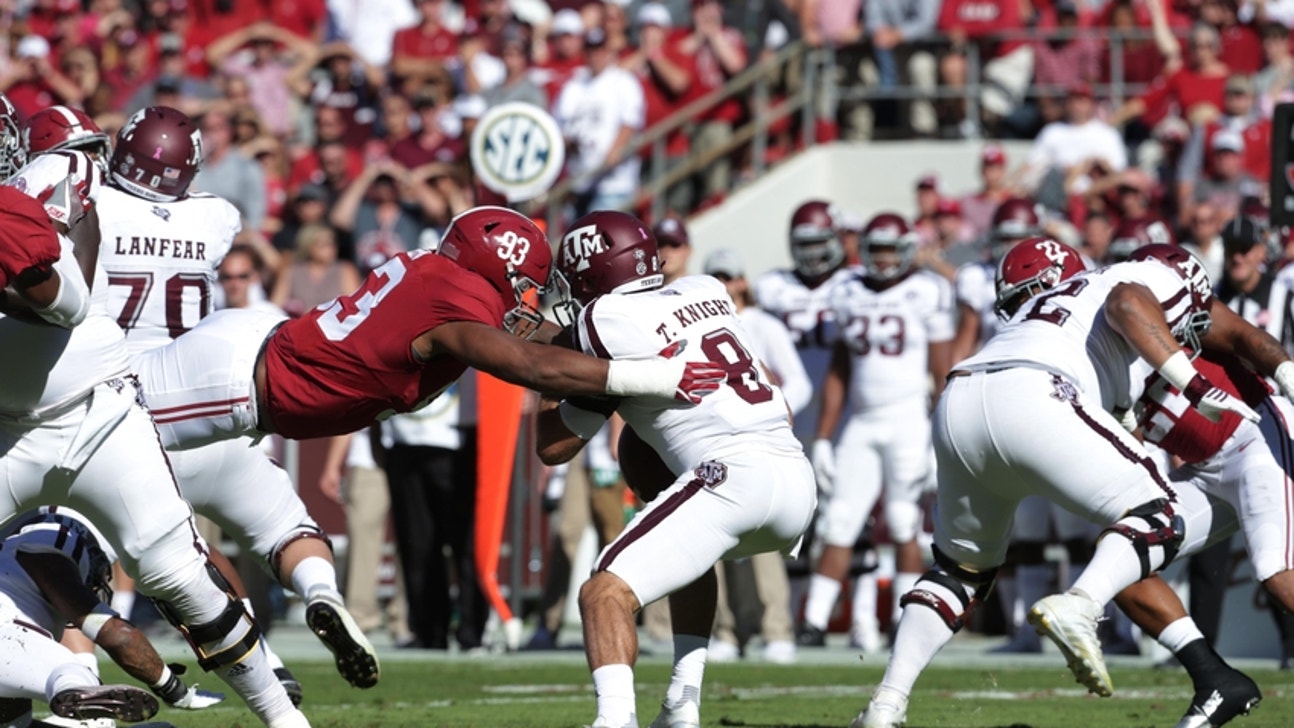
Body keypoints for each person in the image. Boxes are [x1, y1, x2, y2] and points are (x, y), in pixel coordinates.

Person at [858, 242, 1289, 728]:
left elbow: (1152, 310)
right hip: (1038, 390)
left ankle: (885, 705)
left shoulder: (1121, 286)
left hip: (959, 395)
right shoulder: (1110, 294)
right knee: (1152, 518)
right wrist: (1189, 383)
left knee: (960, 573)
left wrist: (1193, 382)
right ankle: (1082, 606)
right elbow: (1126, 306)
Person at [0, 114, 306, 726]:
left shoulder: (64, 173)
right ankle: (67, 685)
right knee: (166, 573)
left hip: (91, 406)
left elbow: (63, 299)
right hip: (57, 419)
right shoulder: (172, 206)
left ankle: (77, 683)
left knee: (159, 570)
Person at [96, 106, 359, 701]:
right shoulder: (214, 217)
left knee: (110, 556)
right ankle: (322, 593)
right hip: (203, 397)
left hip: (123, 409)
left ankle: (79, 684)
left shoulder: (99, 208)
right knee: (282, 525)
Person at [130, 203, 726, 451]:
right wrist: (656, 374)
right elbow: (529, 364)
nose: (528, 304)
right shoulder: (454, 303)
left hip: (252, 361)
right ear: (500, 270)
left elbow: (530, 341)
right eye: (525, 287)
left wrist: (603, 345)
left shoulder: (441, 280)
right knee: (91, 440)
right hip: (238, 381)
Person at [536, 210, 816, 728]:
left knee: (603, 593)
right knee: (691, 556)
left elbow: (552, 446)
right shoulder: (707, 290)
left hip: (733, 477)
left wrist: (548, 364)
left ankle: (614, 721)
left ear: (591, 276)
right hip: (795, 478)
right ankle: (683, 701)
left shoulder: (604, 320)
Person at [802, 213, 953, 654]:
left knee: (905, 520)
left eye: (891, 249)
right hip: (862, 421)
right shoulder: (847, 290)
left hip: (908, 419)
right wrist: (825, 437)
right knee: (840, 520)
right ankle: (813, 621)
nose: (884, 258)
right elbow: (840, 370)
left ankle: (904, 621)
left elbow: (941, 372)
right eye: (877, 249)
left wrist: (936, 436)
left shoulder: (927, 289)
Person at [0, 509, 223, 728]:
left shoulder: (18, 551)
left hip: (10, 654)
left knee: (16, 724)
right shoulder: (53, 544)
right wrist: (173, 689)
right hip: (8, 639)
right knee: (77, 682)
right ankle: (76, 687)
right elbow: (117, 636)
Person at [702, 248, 809, 664]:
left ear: (743, 281)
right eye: (717, 280)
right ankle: (727, 629)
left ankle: (776, 627)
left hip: (758, 440)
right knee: (716, 538)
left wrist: (777, 414)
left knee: (764, 537)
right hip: (715, 442)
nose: (726, 287)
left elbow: (798, 381)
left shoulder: (764, 325)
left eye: (730, 278)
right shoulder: (699, 323)